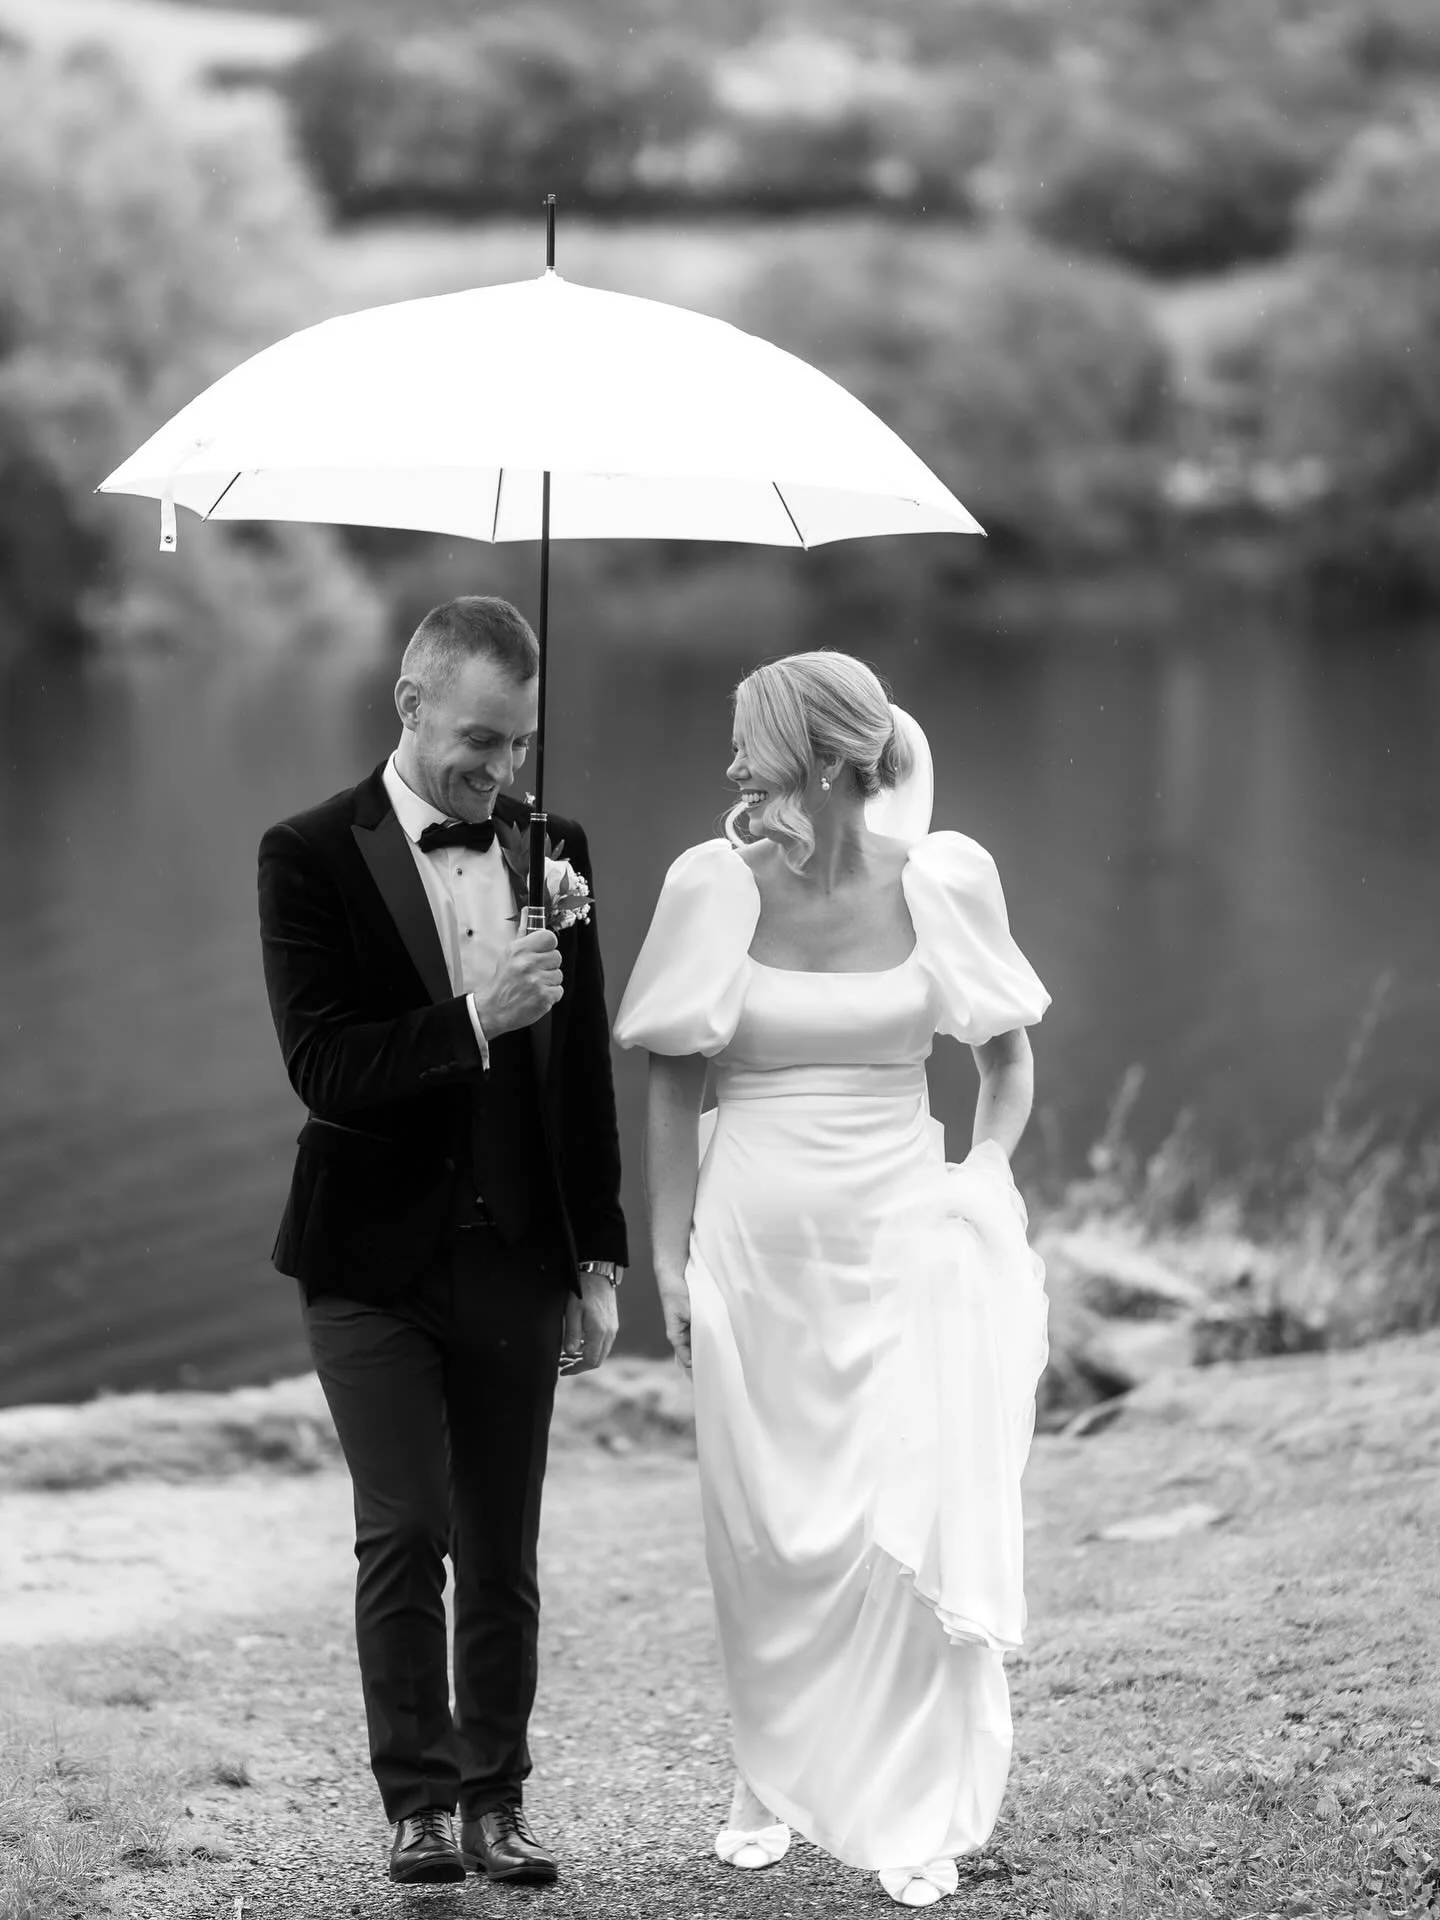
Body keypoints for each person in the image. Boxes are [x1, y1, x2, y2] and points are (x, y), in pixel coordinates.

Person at [613, 650, 1050, 1909]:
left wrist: (979, 1179)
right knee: (766, 1522)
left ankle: (911, 1797)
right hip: (754, 1242)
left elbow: (1006, 1067)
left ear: (820, 755)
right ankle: (769, 1770)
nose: (734, 759)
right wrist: (667, 1256)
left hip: (898, 1237)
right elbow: (675, 1076)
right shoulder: (713, 886)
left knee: (891, 1508)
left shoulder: (946, 882)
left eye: (751, 735)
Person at [257, 595, 628, 1888]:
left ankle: (496, 1802)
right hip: (369, 1258)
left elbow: (578, 1072)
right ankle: (416, 1802)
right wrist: (477, 1016)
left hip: (519, 1254)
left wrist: (598, 1260)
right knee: (407, 1525)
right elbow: (323, 1065)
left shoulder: (554, 847)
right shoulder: (306, 853)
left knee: (502, 1543)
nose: (503, 769)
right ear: (409, 706)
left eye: (519, 744)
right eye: (481, 739)